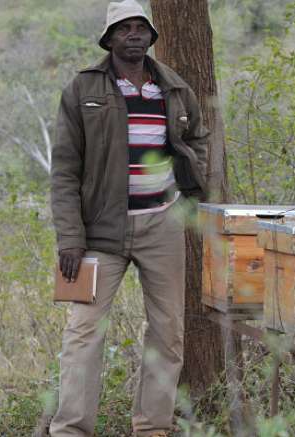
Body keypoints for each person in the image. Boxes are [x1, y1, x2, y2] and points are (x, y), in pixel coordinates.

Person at [49, 0, 208, 435]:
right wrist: (69, 238)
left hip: (162, 224)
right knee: (82, 333)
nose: (134, 34)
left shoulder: (173, 88)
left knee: (168, 332)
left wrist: (191, 194)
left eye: (141, 27)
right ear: (109, 38)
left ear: (151, 37)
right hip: (99, 233)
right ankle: (71, 429)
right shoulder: (83, 90)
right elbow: (64, 171)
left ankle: (152, 426)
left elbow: (197, 138)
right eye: (124, 28)